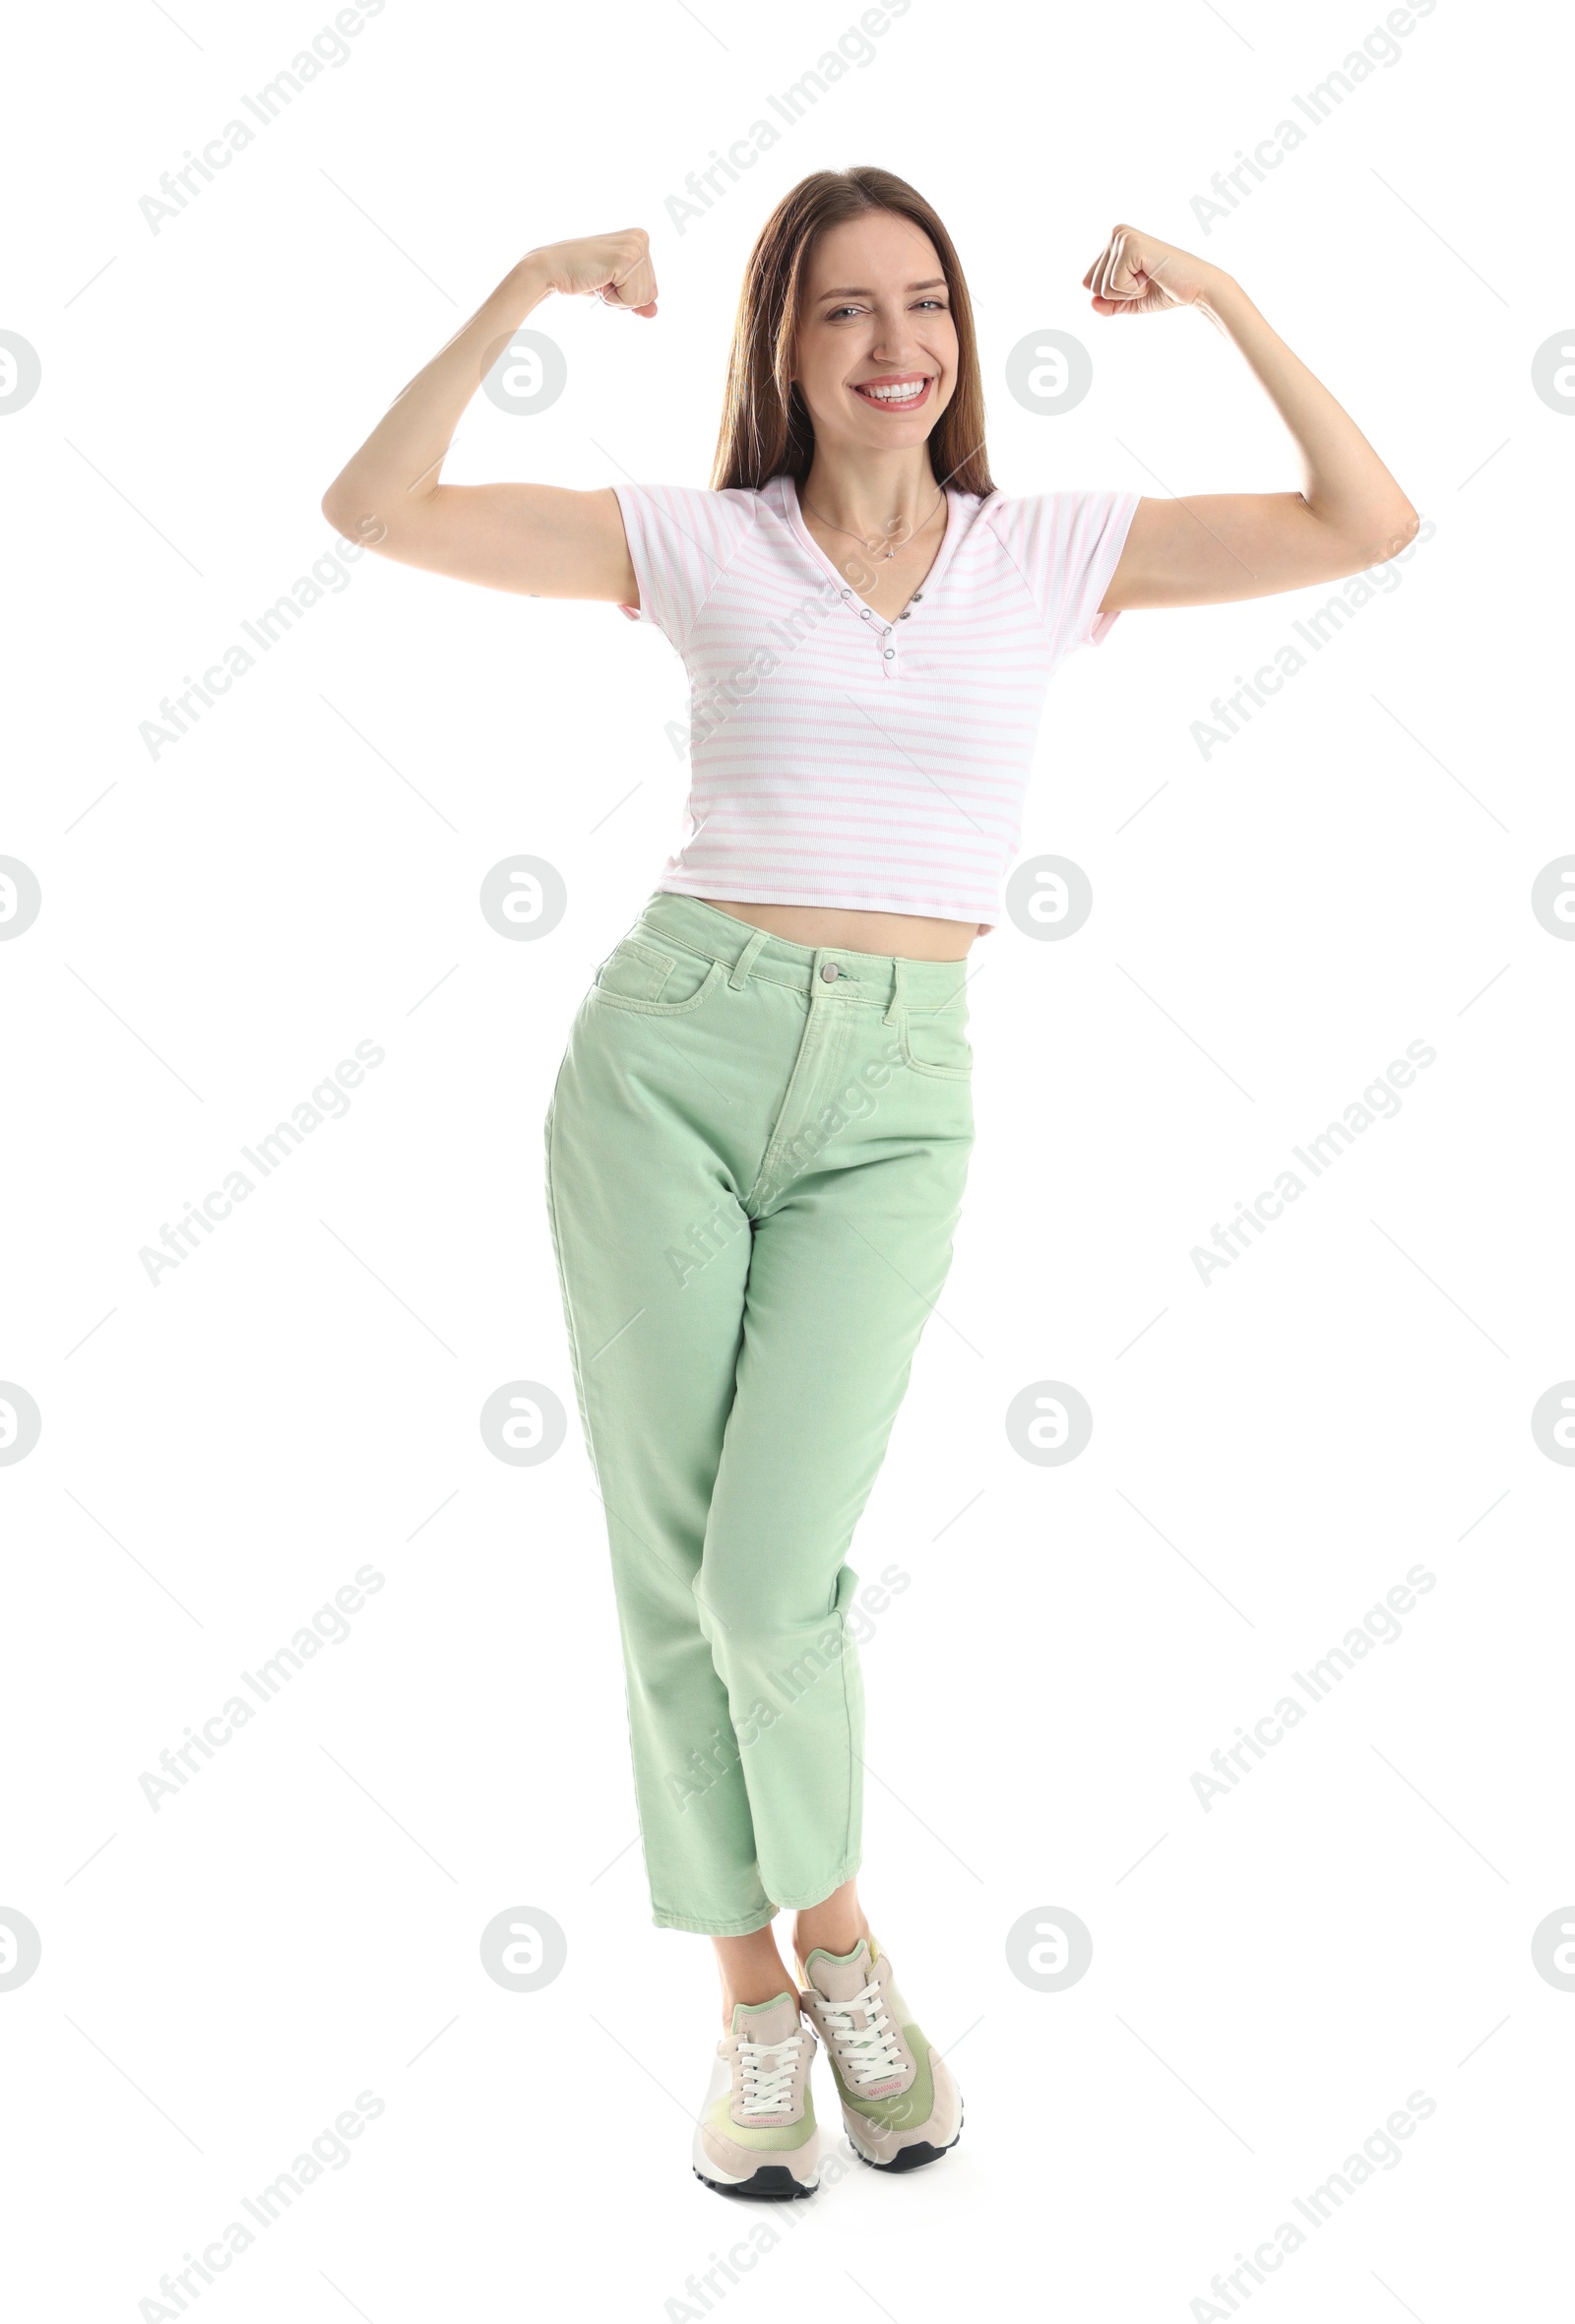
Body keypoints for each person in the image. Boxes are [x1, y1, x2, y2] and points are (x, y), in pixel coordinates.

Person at [322, 167, 1417, 2198]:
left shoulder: (1042, 552)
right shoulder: (700, 544)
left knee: (766, 1582)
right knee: (672, 1582)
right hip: (669, 1054)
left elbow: (1367, 522)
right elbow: (373, 510)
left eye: (922, 304)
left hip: (901, 1094)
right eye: (841, 311)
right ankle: (773, 1992)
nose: (892, 343)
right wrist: (525, 285)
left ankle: (819, 1940)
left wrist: (1232, 296)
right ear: (782, 348)